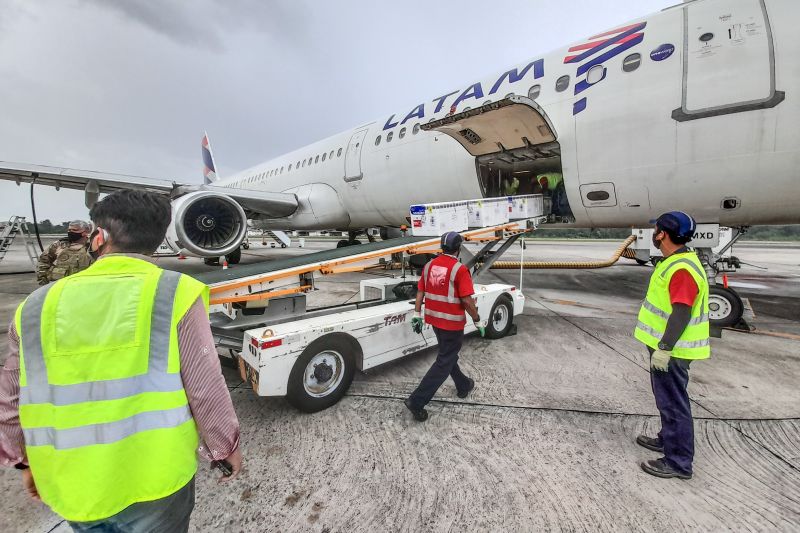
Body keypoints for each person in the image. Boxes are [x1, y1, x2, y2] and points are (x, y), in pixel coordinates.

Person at [0, 190, 242, 531]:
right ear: (158, 240)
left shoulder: (36, 305)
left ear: (98, 237)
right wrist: (223, 447)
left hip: (70, 479)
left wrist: (22, 463)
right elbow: (205, 387)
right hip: (155, 478)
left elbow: (11, 397)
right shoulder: (176, 293)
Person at [634, 211, 710, 480]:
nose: (654, 233)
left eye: (656, 229)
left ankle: (678, 463)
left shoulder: (681, 269)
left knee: (674, 404)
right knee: (666, 400)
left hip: (673, 352)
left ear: (662, 234)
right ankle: (667, 439)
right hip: (668, 348)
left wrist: (664, 348)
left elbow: (682, 312)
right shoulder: (677, 261)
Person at [405, 231, 485, 422]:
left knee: (447, 356)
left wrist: (417, 314)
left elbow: (420, 291)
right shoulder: (459, 270)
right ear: (458, 249)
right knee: (444, 361)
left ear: (442, 247)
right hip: (451, 324)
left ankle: (463, 385)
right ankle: (417, 401)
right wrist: (477, 319)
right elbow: (466, 300)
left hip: (434, 321)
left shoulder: (429, 265)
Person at [36, 220, 93, 285]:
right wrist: (43, 280)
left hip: (84, 284)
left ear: (85, 232)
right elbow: (43, 261)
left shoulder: (93, 245)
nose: (70, 232)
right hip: (61, 284)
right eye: (69, 230)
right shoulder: (59, 245)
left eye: (74, 230)